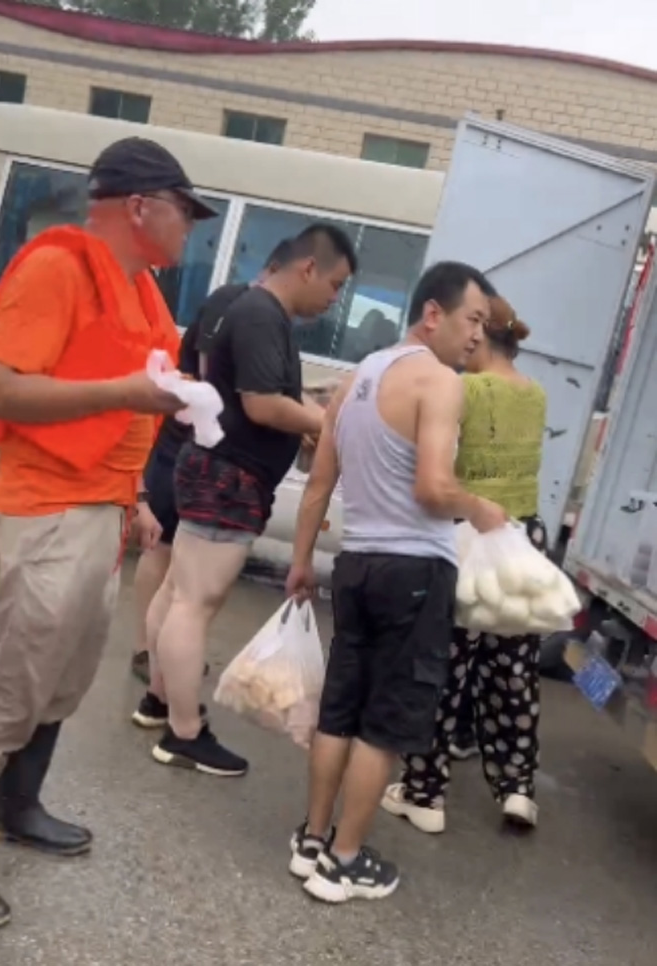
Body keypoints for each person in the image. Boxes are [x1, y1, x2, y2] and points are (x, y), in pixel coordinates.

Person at [0, 136, 215, 929]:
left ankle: (18, 806)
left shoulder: (142, 290)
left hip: (101, 510)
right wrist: (123, 392)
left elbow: (128, 411)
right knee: (8, 687)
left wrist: (136, 494)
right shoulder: (58, 268)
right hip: (46, 512)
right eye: (184, 210)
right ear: (140, 206)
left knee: (61, 682)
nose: (191, 226)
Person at [285, 262, 507, 905]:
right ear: (433, 314)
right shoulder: (438, 381)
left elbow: (319, 483)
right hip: (414, 570)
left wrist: (302, 560)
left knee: (340, 712)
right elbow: (433, 489)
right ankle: (344, 862)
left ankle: (312, 840)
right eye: (472, 320)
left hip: (356, 564)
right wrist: (480, 507)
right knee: (383, 724)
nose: (478, 336)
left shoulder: (356, 377)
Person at [136, 223, 358, 777]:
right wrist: (329, 424)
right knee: (194, 602)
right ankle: (184, 733)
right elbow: (261, 404)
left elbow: (267, 396)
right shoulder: (261, 315)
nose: (334, 299)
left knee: (178, 592)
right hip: (228, 476)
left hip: (215, 469)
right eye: (335, 285)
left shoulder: (261, 313)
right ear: (308, 268)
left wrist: (307, 411)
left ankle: (160, 699)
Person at [382, 294, 548, 834]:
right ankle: (518, 788)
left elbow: (439, 464)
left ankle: (424, 793)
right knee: (513, 670)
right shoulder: (536, 394)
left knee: (444, 669)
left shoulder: (466, 389)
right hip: (525, 539)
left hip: (472, 540)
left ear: (482, 336)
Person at [130, 239, 294, 688]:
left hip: (204, 446)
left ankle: (167, 659)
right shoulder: (235, 303)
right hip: (187, 442)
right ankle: (147, 650)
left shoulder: (261, 313)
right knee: (165, 553)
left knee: (184, 574)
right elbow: (209, 375)